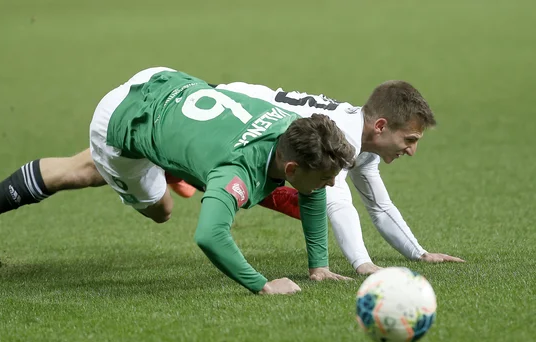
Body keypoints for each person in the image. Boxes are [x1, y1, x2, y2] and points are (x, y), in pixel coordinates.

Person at [0, 67, 357, 294]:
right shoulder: (236, 170)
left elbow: (314, 191)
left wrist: (318, 266)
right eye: (323, 178)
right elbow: (209, 236)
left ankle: (175, 164)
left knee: (185, 172)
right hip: (121, 121)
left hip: (164, 81)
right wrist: (262, 285)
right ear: (292, 169)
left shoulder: (293, 129)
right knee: (155, 207)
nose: (328, 185)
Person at [178, 81, 466, 274]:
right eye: (410, 139)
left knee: (301, 201)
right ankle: (178, 173)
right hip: (221, 107)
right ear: (380, 126)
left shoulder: (360, 137)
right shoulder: (342, 137)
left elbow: (379, 206)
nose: (412, 151)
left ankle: (181, 175)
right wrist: (363, 264)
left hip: (236, 116)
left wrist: (419, 253)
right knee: (157, 202)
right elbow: (339, 203)